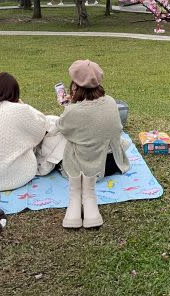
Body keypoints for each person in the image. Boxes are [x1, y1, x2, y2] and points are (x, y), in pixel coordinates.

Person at [56, 60, 130, 229]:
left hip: (85, 169)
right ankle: (89, 202)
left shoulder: (73, 111)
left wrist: (69, 107)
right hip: (111, 163)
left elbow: (61, 127)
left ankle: (76, 201)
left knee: (63, 141)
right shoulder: (111, 102)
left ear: (75, 85)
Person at [0, 72, 63, 191]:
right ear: (15, 92)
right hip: (15, 178)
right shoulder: (20, 110)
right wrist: (24, 105)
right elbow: (40, 130)